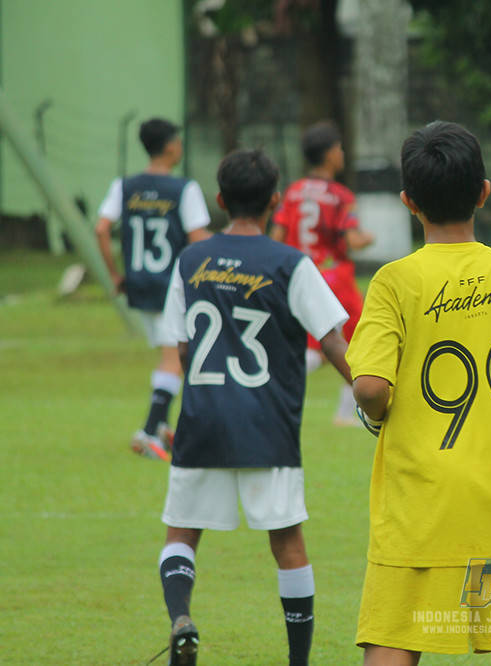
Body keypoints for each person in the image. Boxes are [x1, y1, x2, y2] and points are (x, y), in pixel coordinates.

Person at [347, 121, 491, 665]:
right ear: (483, 192)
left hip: (420, 514)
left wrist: (381, 408)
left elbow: (369, 386)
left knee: (395, 647)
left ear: (409, 202)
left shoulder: (394, 281)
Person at [156, 149, 353, 665]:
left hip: (203, 420)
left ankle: (181, 616)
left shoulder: (190, 260)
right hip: (268, 424)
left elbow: (181, 347)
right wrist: (376, 396)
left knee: (182, 533)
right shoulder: (290, 264)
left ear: (220, 200)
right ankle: (297, 661)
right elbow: (333, 343)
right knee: (287, 542)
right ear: (274, 200)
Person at [95, 118, 212, 460]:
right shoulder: (184, 189)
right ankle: (148, 431)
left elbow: (102, 229)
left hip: (140, 286)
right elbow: (198, 240)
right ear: (172, 146)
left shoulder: (124, 185)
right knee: (173, 358)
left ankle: (162, 427)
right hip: (172, 287)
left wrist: (116, 275)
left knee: (173, 356)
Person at [270, 121, 374, 426]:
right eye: (340, 149)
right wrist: (370, 236)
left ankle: (276, 384)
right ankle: (347, 412)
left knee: (316, 342)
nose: (342, 154)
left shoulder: (293, 192)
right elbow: (354, 240)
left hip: (298, 275)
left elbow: (277, 236)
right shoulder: (341, 196)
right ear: (330, 155)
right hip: (333, 278)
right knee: (357, 341)